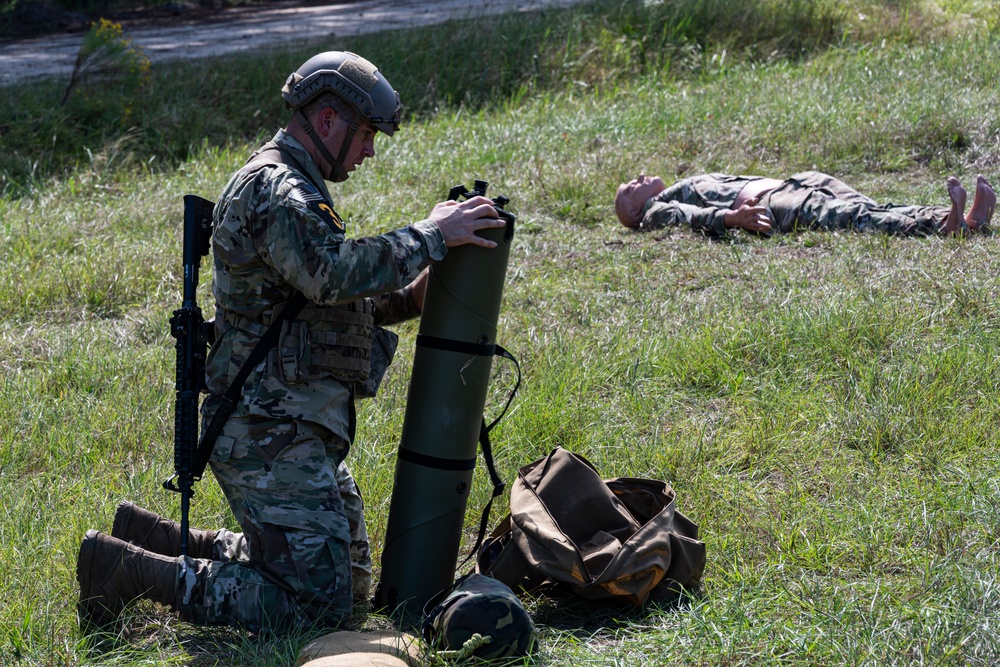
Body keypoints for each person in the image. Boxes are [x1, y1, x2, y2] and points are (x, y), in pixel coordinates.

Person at [76, 51, 507, 634]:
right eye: (366, 135)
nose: (370, 151)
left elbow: (319, 305)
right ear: (328, 120)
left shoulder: (296, 187)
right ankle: (127, 571)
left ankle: (154, 540)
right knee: (316, 607)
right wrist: (431, 235)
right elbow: (330, 273)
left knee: (349, 583)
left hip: (289, 422)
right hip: (266, 428)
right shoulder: (277, 189)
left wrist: (413, 297)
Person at [615, 171, 996, 237]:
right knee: (855, 217)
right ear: (635, 210)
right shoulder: (655, 211)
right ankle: (942, 226)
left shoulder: (668, 190)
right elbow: (689, 216)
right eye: (631, 188)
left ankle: (958, 218)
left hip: (794, 184)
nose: (639, 180)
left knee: (871, 207)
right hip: (776, 204)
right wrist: (731, 218)